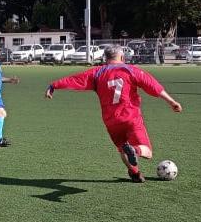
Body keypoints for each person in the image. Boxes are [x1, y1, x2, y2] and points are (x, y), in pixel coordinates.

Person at [44, 45, 183, 183]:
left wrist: (53, 85)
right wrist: (172, 102)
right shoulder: (131, 70)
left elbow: (75, 80)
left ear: (106, 58)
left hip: (111, 121)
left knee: (122, 148)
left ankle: (134, 173)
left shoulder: (96, 73)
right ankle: (135, 151)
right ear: (122, 57)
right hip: (131, 118)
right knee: (146, 151)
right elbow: (153, 86)